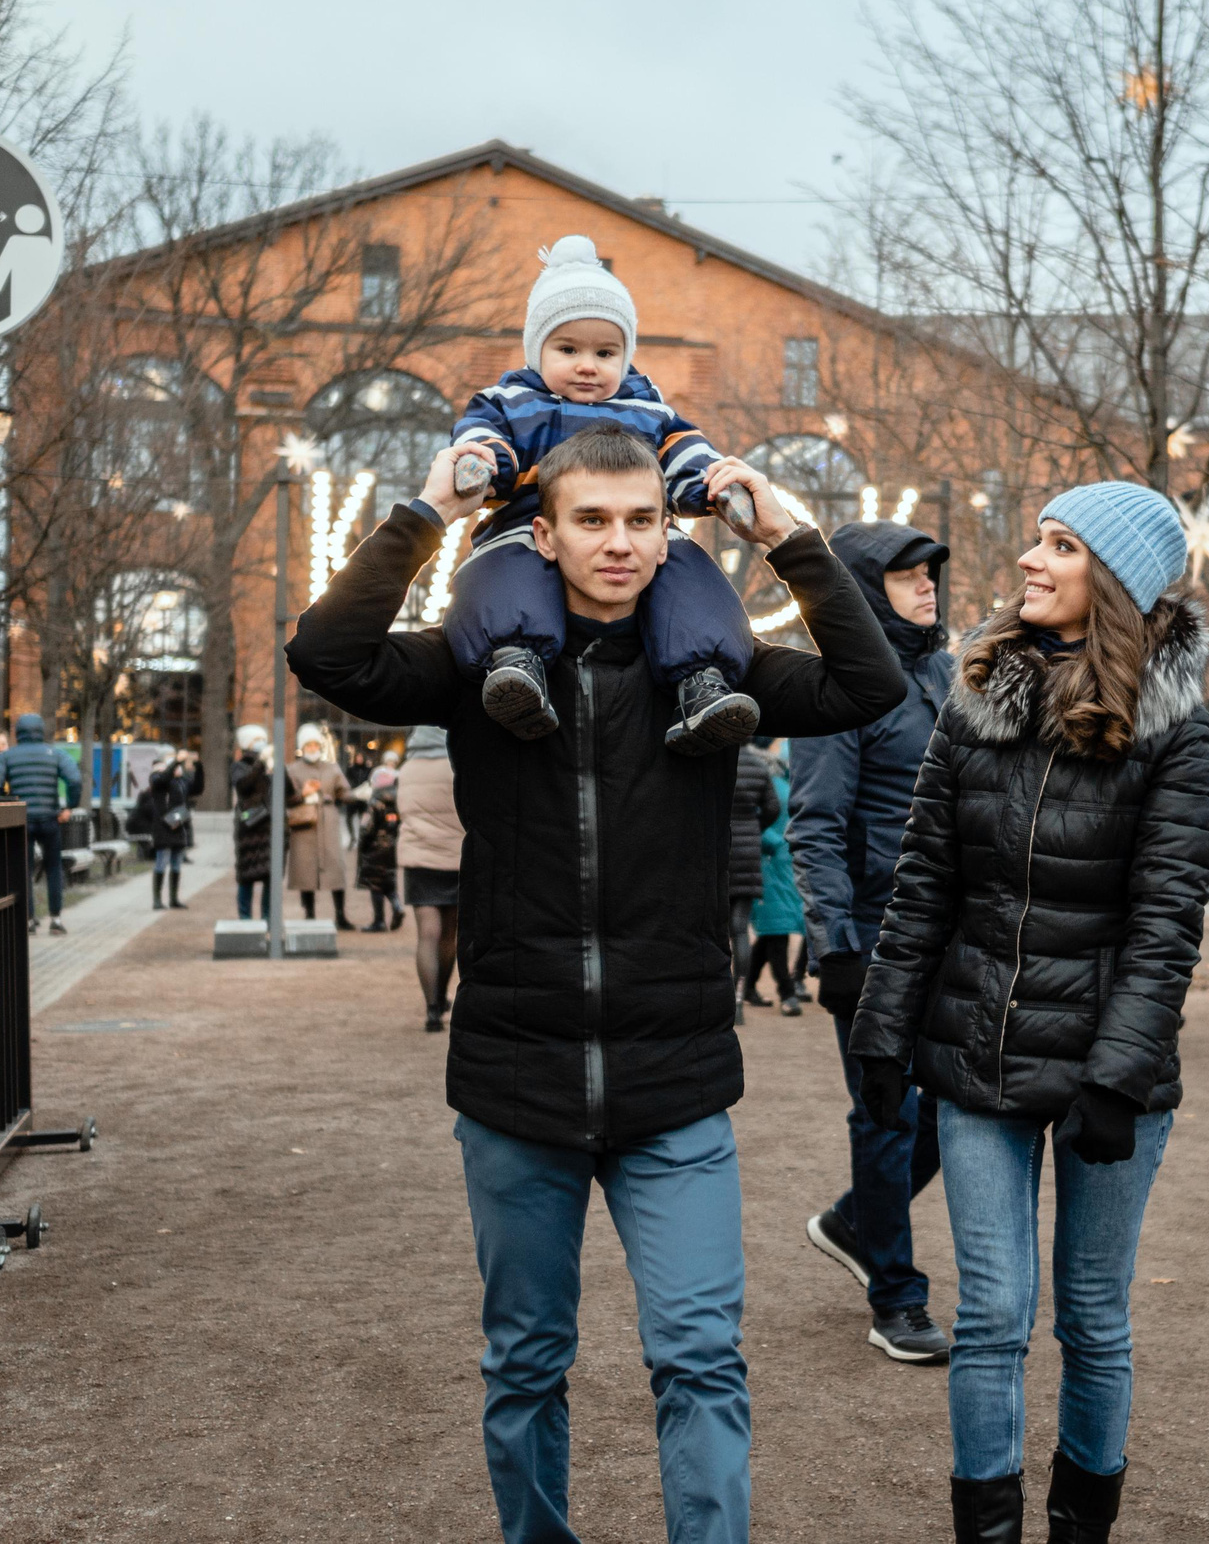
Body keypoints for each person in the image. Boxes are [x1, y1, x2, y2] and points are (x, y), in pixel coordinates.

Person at [285, 424, 903, 1544]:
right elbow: (327, 656)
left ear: (668, 537)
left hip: (675, 1083)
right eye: (593, 521)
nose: (619, 544)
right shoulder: (479, 670)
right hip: (516, 1078)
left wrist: (789, 536)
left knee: (701, 1359)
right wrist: (425, 512)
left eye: (640, 522)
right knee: (524, 1364)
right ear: (550, 533)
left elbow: (868, 683)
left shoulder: (719, 676)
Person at [846, 484, 1209, 1544]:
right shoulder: (978, 697)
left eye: (1060, 546)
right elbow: (924, 879)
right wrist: (882, 1029)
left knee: (1093, 1320)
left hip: (1112, 1069)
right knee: (994, 1321)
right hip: (978, 1058)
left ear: (1112, 578)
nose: (1029, 559)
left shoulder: (1173, 729)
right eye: (1037, 539)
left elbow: (1165, 923)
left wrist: (1117, 1073)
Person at [443, 236, 760, 757]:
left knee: (689, 570)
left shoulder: (648, 410)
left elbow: (684, 448)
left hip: (636, 525)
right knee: (504, 572)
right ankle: (515, 664)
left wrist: (711, 487)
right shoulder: (514, 401)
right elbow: (480, 433)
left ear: (625, 356)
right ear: (537, 350)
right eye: (568, 350)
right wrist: (483, 465)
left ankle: (702, 681)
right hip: (528, 521)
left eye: (605, 352)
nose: (587, 365)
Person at [788, 519, 958, 1366]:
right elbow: (815, 822)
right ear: (861, 588)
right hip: (876, 937)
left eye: (931, 573)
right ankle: (895, 1296)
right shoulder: (837, 684)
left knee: (956, 1103)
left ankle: (856, 1220)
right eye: (905, 576)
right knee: (888, 1115)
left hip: (950, 932)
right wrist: (836, 948)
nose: (927, 586)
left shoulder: (946, 668)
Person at [0, 713, 84, 936]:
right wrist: (69, 806)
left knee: (24, 870)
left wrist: (4, 806)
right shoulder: (55, 754)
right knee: (53, 868)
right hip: (50, 819)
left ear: (18, 732)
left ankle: (29, 920)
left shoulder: (7, 757)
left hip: (22, 820)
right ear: (41, 731)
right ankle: (56, 919)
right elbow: (75, 779)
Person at [395, 724, 464, 1032]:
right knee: (449, 935)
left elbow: (402, 811)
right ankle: (440, 997)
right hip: (456, 857)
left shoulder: (406, 770)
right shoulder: (457, 764)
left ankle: (431, 1010)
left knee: (427, 934)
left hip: (419, 858)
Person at [745, 738, 806, 1015]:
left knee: (773, 928)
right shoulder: (763, 771)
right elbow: (754, 815)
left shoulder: (786, 772)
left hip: (786, 861)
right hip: (769, 860)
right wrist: (774, 843)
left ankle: (749, 986)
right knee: (776, 926)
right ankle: (787, 991)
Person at [284, 723, 354, 928]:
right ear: (302, 747)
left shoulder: (332, 768)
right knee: (305, 871)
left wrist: (356, 795)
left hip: (329, 825)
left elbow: (344, 792)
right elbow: (286, 798)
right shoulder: (293, 770)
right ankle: (309, 914)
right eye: (309, 744)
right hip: (304, 824)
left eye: (315, 744)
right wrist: (302, 794)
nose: (313, 748)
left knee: (336, 870)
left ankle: (340, 915)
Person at [128, 749, 203, 910]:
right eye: (173, 766)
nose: (178, 769)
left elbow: (197, 787)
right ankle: (157, 899)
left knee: (176, 864)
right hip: (163, 827)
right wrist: (176, 761)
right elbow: (163, 778)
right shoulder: (157, 779)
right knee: (162, 862)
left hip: (177, 825)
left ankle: (173, 898)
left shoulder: (180, 782)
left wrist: (198, 765)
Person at [729, 743, 772, 1012]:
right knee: (740, 927)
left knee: (716, 929)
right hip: (748, 853)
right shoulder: (759, 767)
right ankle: (738, 996)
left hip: (718, 850)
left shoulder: (715, 765)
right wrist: (755, 827)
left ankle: (719, 995)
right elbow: (773, 808)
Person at [231, 726, 274, 923]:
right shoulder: (239, 766)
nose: (261, 743)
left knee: (269, 875)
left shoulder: (270, 764)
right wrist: (260, 765)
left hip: (268, 828)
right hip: (249, 827)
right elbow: (243, 786)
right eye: (257, 739)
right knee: (246, 876)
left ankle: (267, 918)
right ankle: (245, 918)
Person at [356, 766, 405, 932]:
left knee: (375, 884)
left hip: (375, 849)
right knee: (389, 881)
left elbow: (367, 828)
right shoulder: (398, 799)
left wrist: (362, 845)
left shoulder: (375, 801)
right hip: (392, 847)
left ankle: (379, 921)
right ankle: (397, 906)